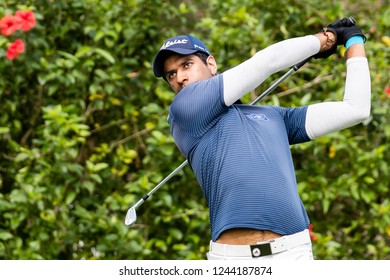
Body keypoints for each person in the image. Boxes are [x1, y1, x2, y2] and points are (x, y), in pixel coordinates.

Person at [152, 18, 370, 260]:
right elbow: (266, 62)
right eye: (171, 74)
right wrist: (324, 40)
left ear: (211, 64)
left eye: (187, 64)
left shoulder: (273, 116)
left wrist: (354, 40)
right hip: (233, 260)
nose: (180, 77)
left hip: (293, 253)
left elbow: (356, 109)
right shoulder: (184, 110)